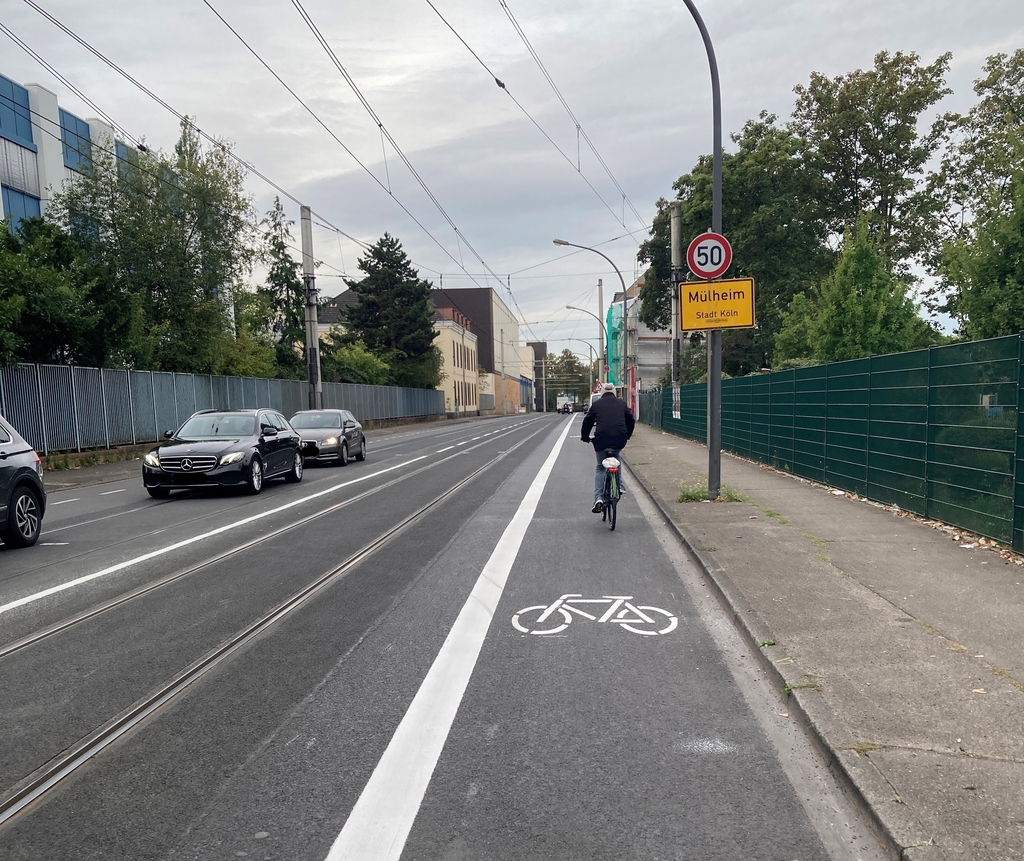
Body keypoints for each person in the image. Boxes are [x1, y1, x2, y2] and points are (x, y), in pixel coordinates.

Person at [581, 382, 635, 513]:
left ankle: (598, 498)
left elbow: (587, 421)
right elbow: (631, 420)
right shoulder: (621, 404)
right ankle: (620, 485)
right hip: (619, 439)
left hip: (601, 440)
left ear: (602, 393)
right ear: (615, 393)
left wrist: (585, 437)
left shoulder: (597, 405)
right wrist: (627, 435)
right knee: (616, 458)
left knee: (600, 467)